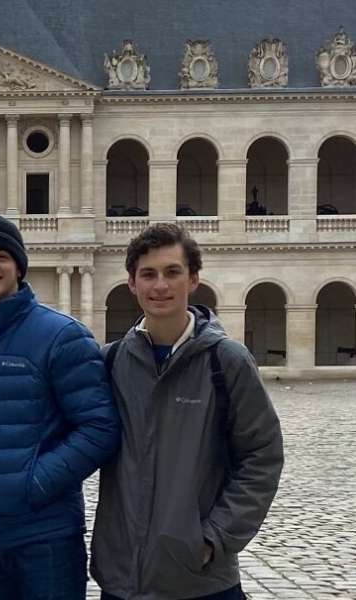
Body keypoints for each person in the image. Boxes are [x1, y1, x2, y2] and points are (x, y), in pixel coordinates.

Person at [91, 223, 284, 600]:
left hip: (202, 580)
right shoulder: (111, 362)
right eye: (148, 274)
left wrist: (214, 537)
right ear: (132, 283)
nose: (159, 285)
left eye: (172, 272)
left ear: (193, 280)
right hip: (124, 580)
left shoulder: (226, 361)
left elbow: (262, 456)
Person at [0, 213, 120, 600]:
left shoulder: (62, 336)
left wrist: (35, 482)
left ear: (19, 267)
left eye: (1, 256)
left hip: (45, 537)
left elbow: (99, 428)